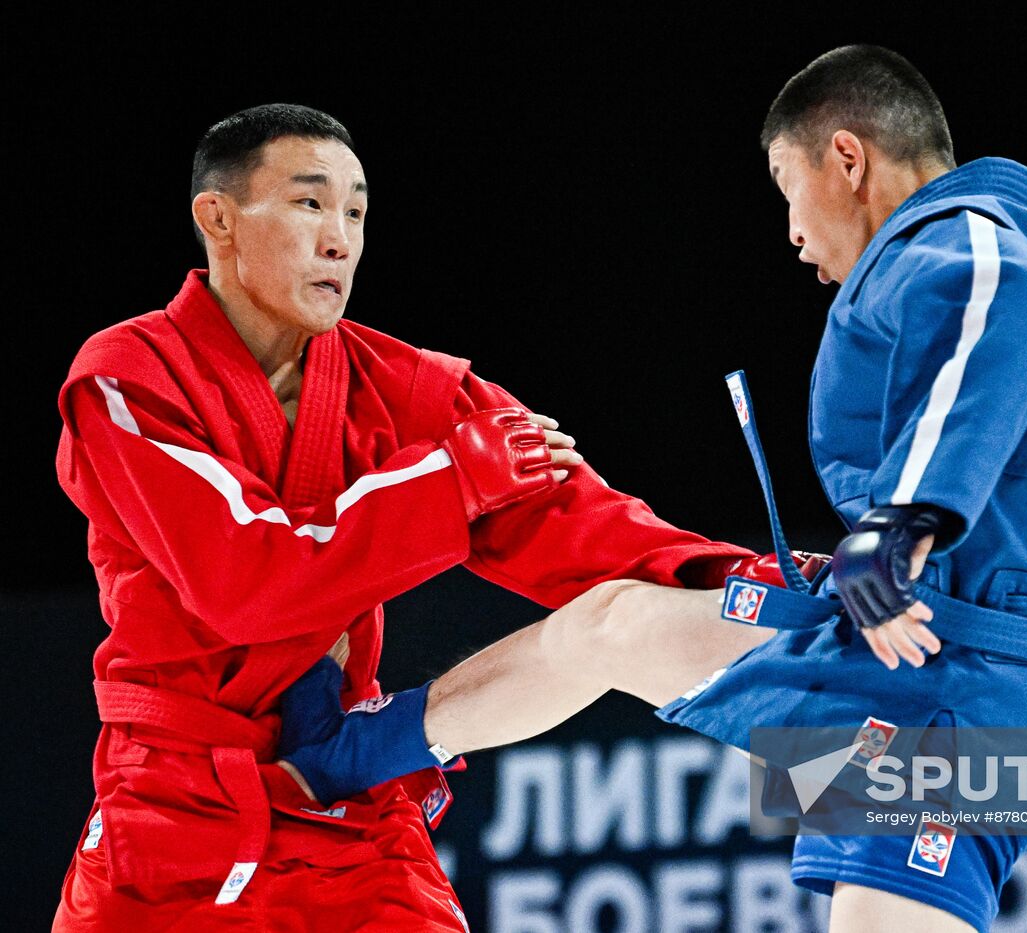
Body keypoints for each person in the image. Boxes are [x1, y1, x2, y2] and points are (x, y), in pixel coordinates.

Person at [278, 48, 1027, 933]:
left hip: (958, 704)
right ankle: (350, 757)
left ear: (847, 157)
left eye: (786, 190)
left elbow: (992, 320)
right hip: (896, 651)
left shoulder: (980, 247)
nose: (793, 234)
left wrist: (903, 522)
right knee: (612, 624)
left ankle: (349, 757)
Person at [50, 103, 805, 931]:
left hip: (349, 803)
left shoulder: (410, 391)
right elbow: (246, 579)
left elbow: (587, 529)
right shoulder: (127, 378)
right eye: (310, 203)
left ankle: (897, 797)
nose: (340, 239)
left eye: (356, 213)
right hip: (169, 821)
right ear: (218, 218)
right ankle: (899, 798)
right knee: (617, 632)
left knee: (629, 623)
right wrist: (452, 480)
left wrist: (744, 573)